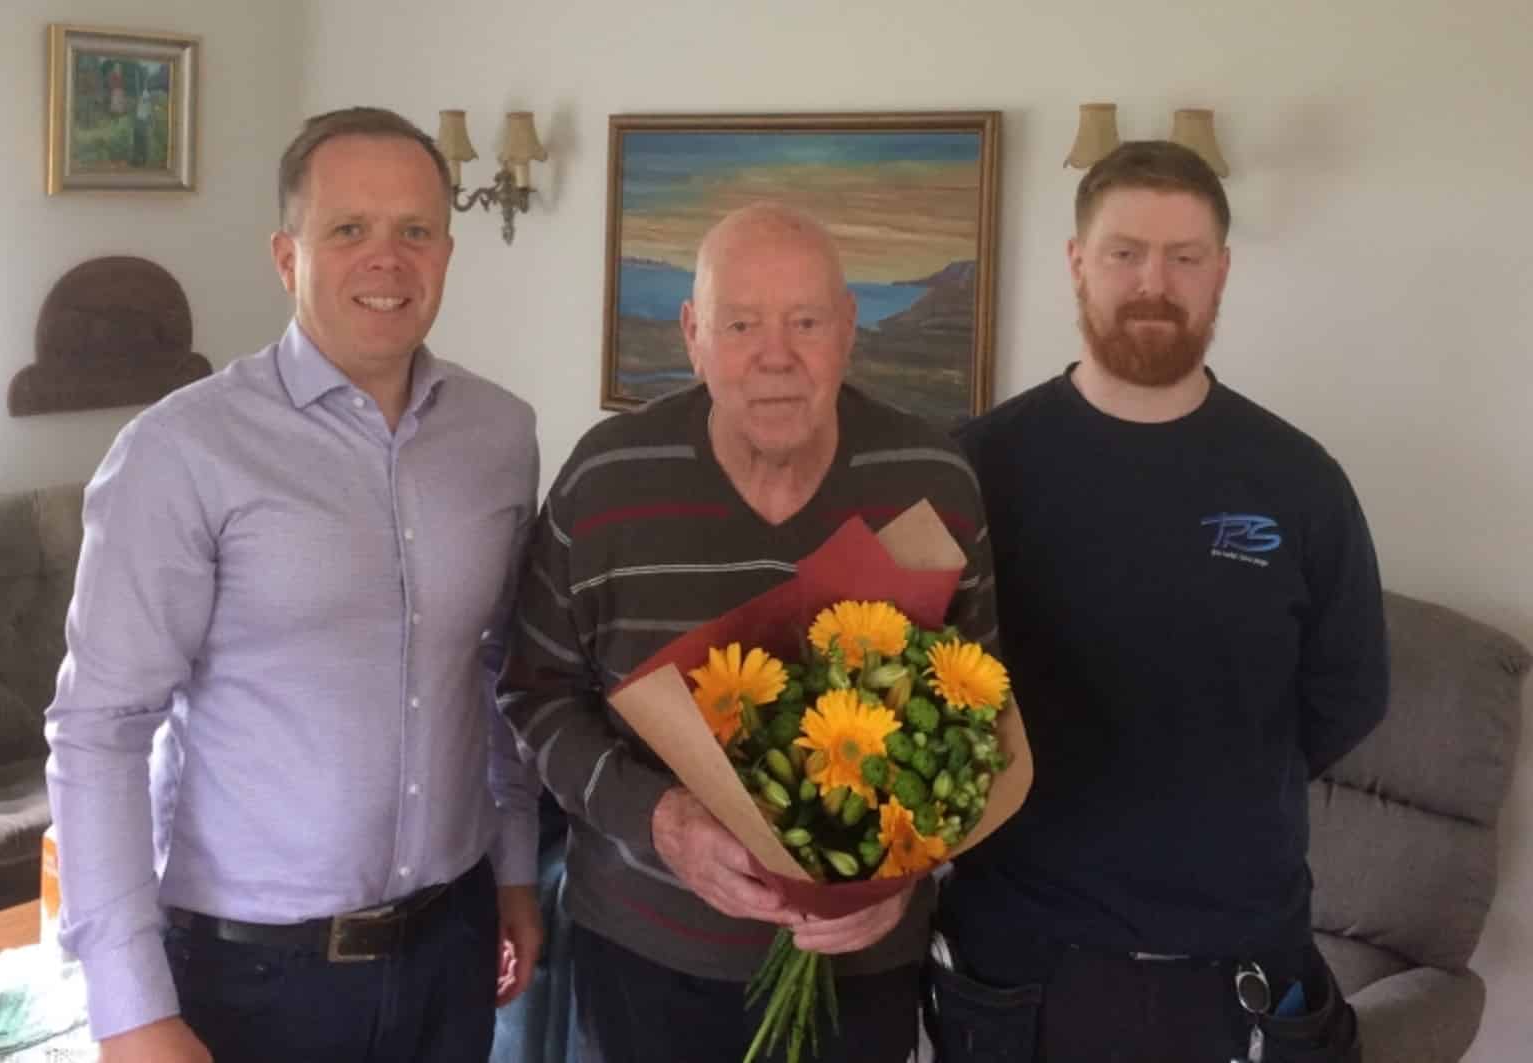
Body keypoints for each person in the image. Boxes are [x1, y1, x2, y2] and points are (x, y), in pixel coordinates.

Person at [44, 107, 543, 1063]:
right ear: (287, 256)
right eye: (348, 228)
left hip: (453, 944)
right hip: (252, 977)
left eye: (415, 230)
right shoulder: (181, 451)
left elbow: (498, 669)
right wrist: (130, 1008)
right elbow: (101, 728)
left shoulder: (500, 435)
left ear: (447, 251)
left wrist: (515, 869)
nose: (386, 259)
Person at [501, 202, 1000, 1063]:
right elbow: (533, 694)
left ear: (849, 329)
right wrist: (657, 816)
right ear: (692, 335)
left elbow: (981, 717)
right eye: (740, 324)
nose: (777, 355)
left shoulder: (933, 479)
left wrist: (912, 867)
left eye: (806, 321)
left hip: (863, 974)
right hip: (643, 961)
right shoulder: (607, 479)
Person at [937, 140, 1389, 1063]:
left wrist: (1217, 785)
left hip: (1238, 968)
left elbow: (1349, 693)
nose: (1155, 282)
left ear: (1221, 271)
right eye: (1125, 252)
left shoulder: (1299, 481)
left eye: (1185, 256)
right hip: (1016, 969)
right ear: (1077, 262)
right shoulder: (975, 468)